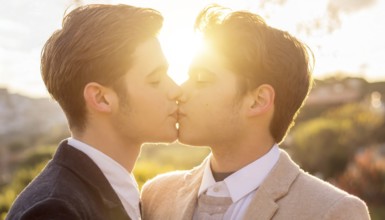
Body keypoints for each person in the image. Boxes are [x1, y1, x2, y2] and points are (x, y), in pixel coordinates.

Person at [141, 5, 370, 220]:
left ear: (258, 101)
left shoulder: (333, 211)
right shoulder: (156, 197)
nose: (180, 90)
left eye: (201, 79)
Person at [6, 4, 180, 220]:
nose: (176, 90)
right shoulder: (55, 211)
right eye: (155, 80)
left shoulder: (115, 190)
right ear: (101, 98)